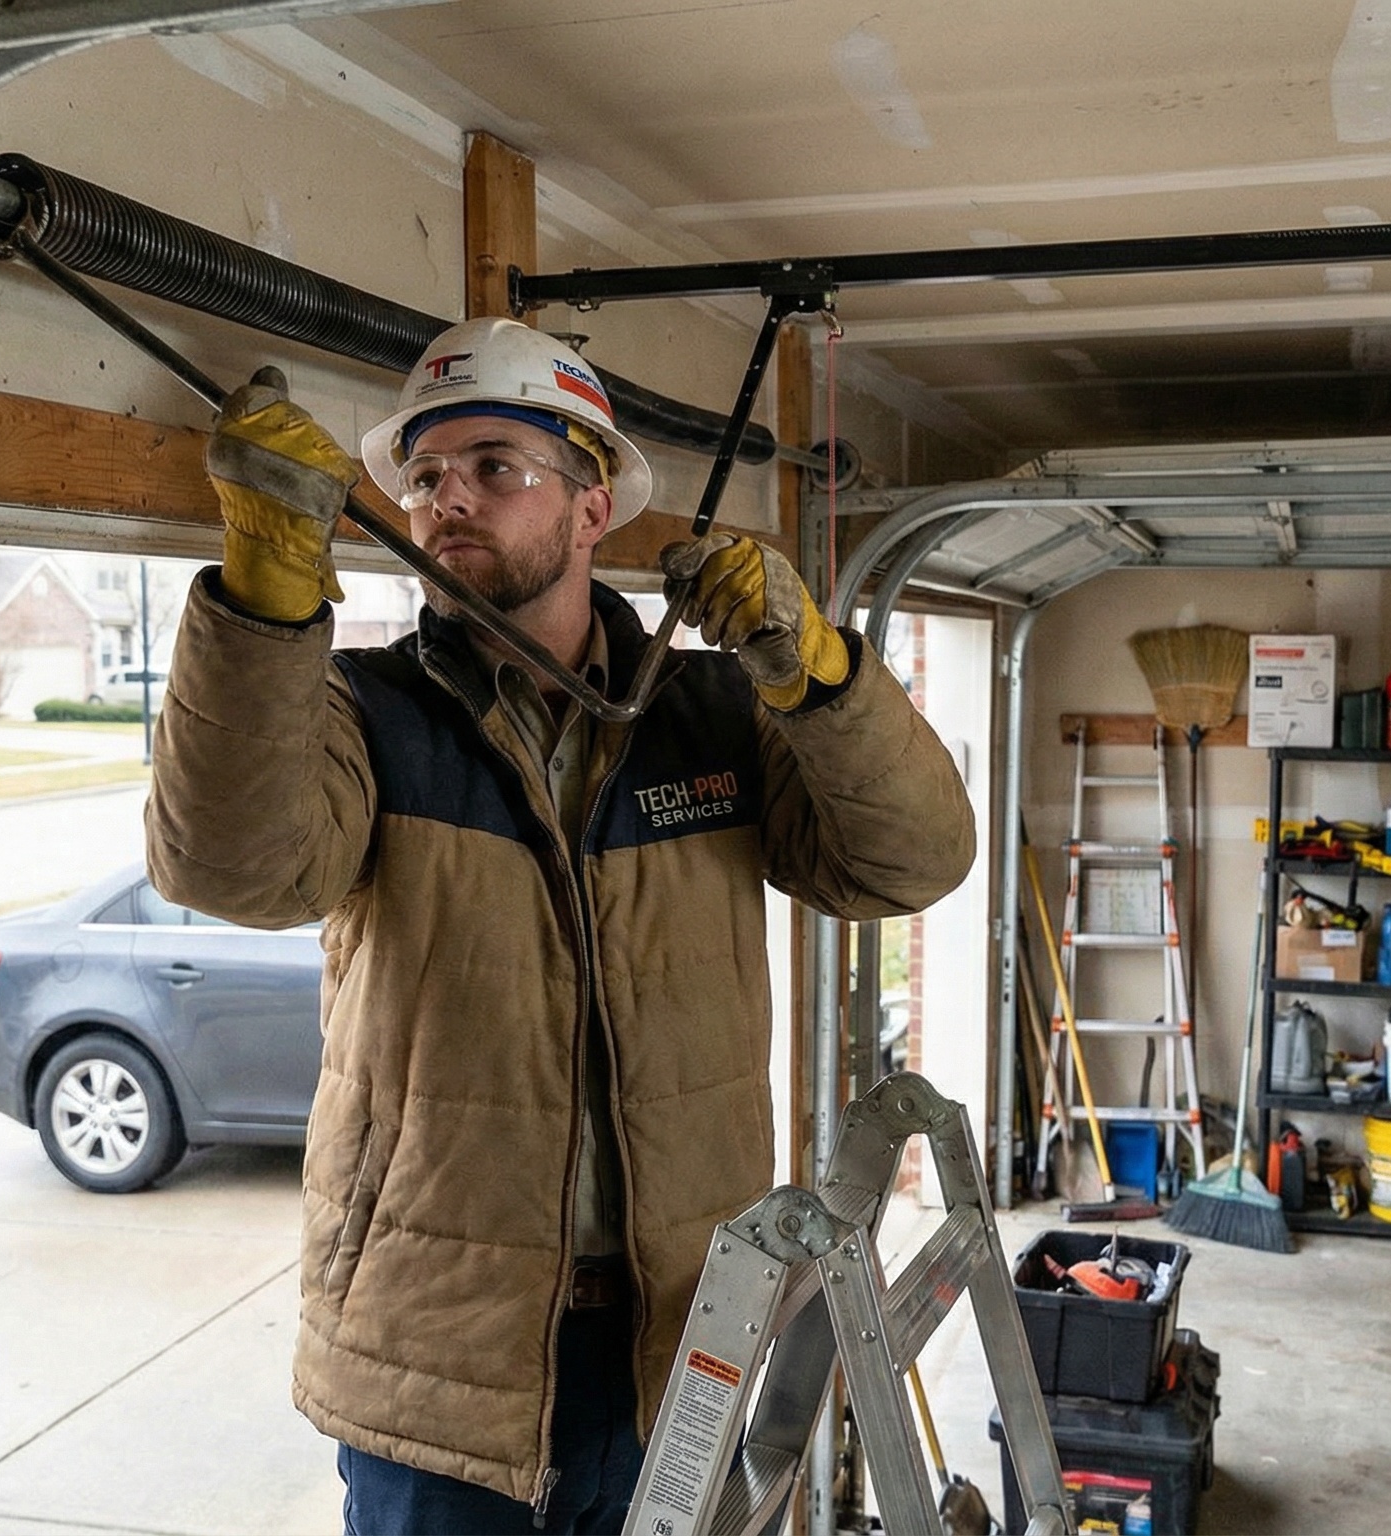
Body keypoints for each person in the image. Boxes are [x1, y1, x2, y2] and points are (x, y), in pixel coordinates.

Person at [145, 316, 973, 1534]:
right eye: (424, 476)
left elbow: (910, 860)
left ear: (593, 509)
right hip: (446, 1353)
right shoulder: (364, 712)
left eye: (493, 467)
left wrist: (815, 677)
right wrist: (267, 600)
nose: (446, 502)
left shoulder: (709, 710)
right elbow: (231, 867)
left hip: (681, 1331)